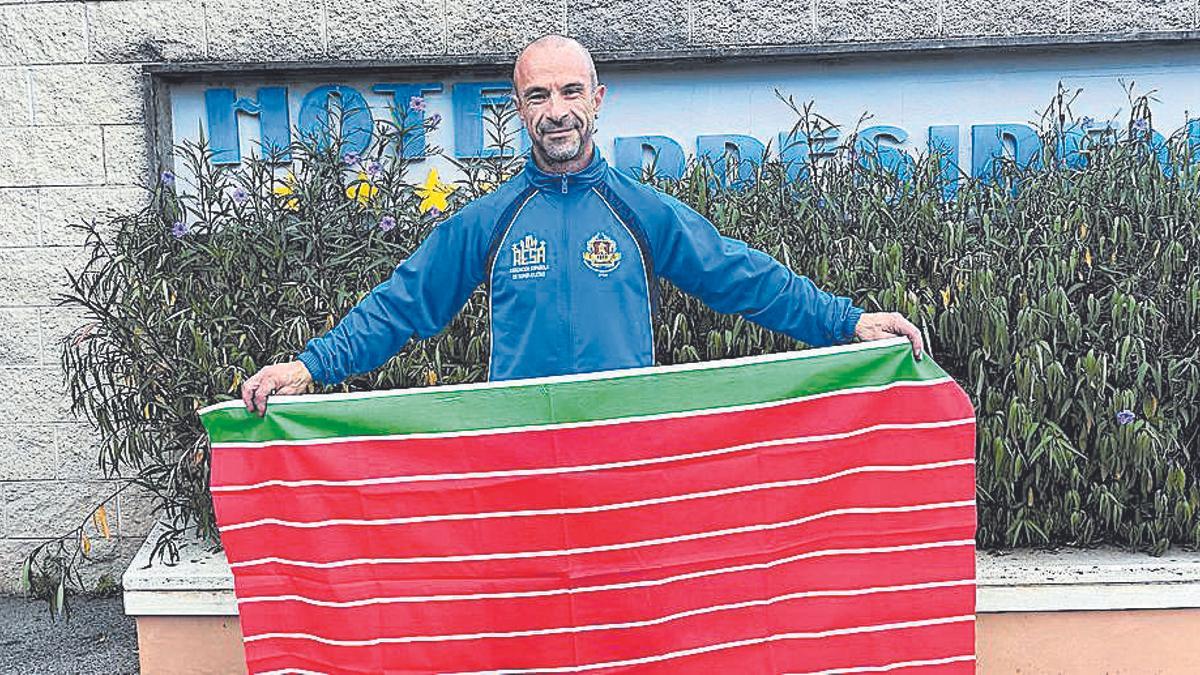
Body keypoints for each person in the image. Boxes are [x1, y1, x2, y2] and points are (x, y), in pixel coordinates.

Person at [240, 34, 924, 416]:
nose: (556, 109)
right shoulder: (492, 218)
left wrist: (849, 322)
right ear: (518, 107)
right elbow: (404, 304)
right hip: (519, 457)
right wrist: (310, 365)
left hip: (624, 452)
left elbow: (742, 277)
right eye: (538, 95)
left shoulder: (639, 209)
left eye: (570, 91)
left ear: (597, 100)